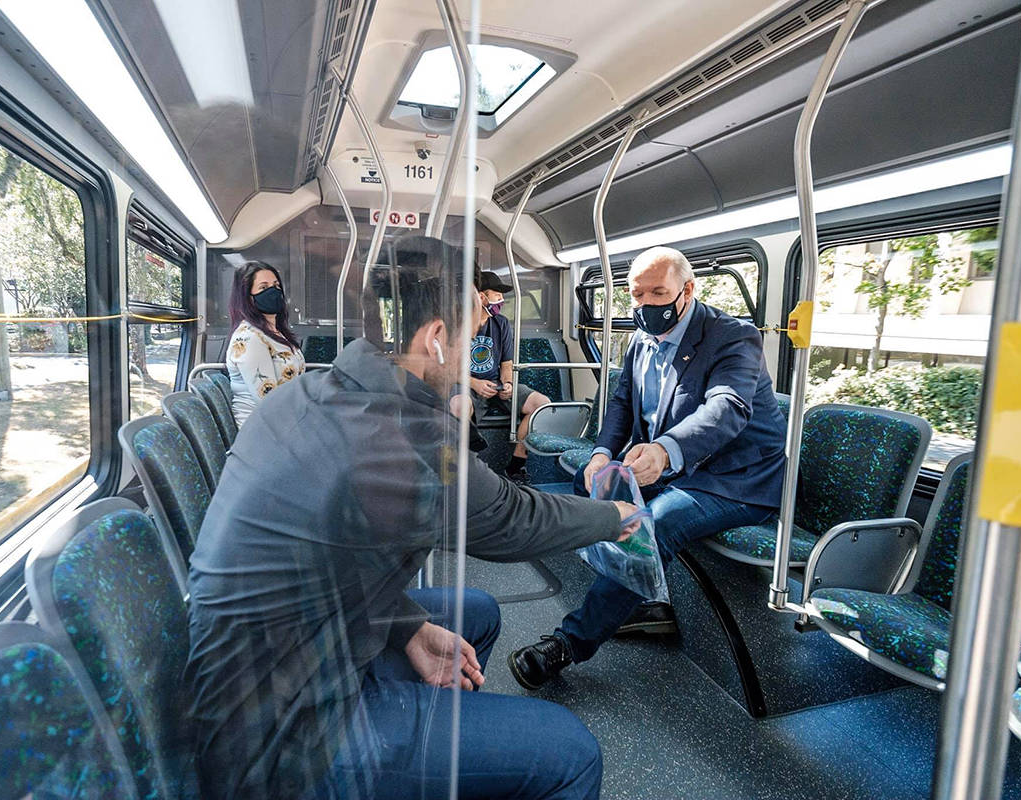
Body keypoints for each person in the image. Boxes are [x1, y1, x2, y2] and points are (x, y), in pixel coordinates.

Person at [186, 235, 639, 800]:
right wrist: (612, 514)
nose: (478, 340)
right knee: (573, 754)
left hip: (278, 654)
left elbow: (334, 557)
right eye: (472, 329)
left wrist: (407, 628)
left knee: (474, 614)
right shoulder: (407, 436)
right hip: (284, 733)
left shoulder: (313, 392)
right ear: (437, 339)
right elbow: (511, 517)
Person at [508, 246, 787, 691]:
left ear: (687, 289)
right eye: (637, 295)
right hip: (677, 465)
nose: (646, 306)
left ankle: (568, 643)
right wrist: (602, 453)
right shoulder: (640, 338)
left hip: (735, 479)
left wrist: (664, 449)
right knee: (593, 487)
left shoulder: (733, 337)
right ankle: (638, 597)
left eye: (658, 293)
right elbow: (622, 402)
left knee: (652, 526)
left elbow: (727, 407)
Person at [450, 270, 550, 484]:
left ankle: (515, 466)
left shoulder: (501, 324)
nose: (501, 300)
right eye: (497, 294)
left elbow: (507, 364)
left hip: (495, 383)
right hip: (466, 384)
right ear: (482, 297)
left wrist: (508, 383)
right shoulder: (458, 323)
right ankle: (466, 468)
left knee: (542, 404)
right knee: (459, 406)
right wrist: (475, 383)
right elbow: (448, 368)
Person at [225, 261, 305, 425]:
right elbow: (269, 402)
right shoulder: (249, 338)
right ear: (248, 298)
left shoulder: (275, 332)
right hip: (262, 431)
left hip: (284, 422)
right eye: (263, 287)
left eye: (276, 285)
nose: (273, 291)